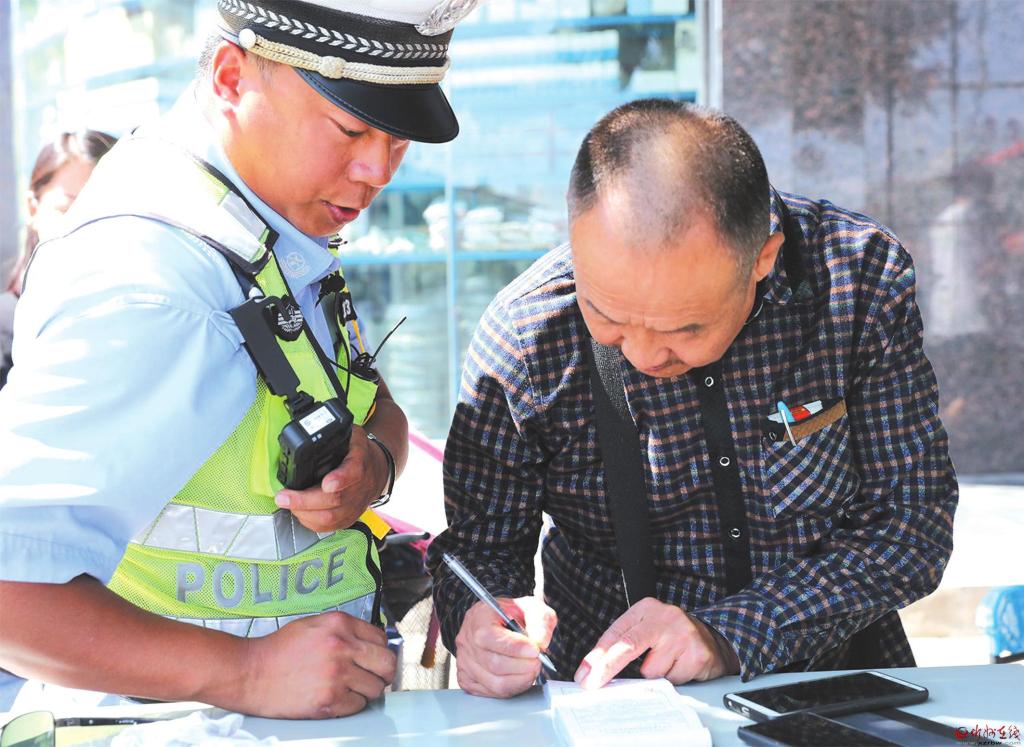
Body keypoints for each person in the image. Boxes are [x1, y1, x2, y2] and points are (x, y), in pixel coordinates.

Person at [0, 0, 477, 719]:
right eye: (351, 128)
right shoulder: (151, 280)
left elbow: (367, 397)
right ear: (231, 76)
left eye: (398, 137)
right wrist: (246, 672)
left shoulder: (258, 218)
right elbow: (12, 585)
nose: (378, 168)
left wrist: (374, 463)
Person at [428, 100, 958, 698]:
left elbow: (911, 525)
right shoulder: (525, 338)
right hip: (611, 700)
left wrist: (730, 633)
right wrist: (484, 625)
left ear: (763, 258)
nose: (643, 356)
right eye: (608, 317)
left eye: (685, 329)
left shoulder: (856, 280)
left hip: (830, 680)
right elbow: (478, 549)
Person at [0, 129, 116, 388]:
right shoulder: (6, 327)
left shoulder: (154, 323)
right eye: (67, 210)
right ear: (33, 208)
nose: (85, 229)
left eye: (106, 214)